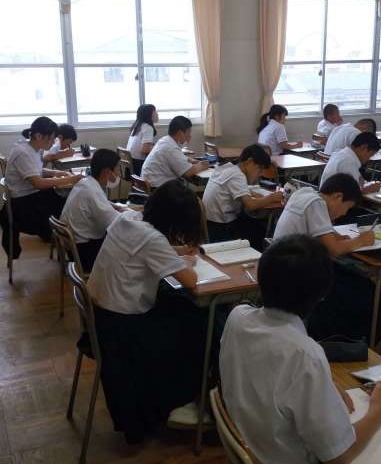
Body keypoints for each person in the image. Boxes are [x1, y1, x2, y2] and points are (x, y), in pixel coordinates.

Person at [220, 235, 381, 464]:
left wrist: (325, 386)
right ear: (322, 295)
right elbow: (338, 456)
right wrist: (377, 410)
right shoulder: (303, 354)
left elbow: (274, 377)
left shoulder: (238, 317)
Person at [86, 180, 210, 443]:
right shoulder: (153, 239)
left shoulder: (129, 219)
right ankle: (183, 399)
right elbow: (190, 280)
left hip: (100, 316)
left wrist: (176, 253)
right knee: (198, 324)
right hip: (123, 330)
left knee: (180, 309)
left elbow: (145, 249)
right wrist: (186, 260)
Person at [273, 175, 381, 343]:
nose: (344, 213)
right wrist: (361, 240)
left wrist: (338, 237)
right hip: (300, 276)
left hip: (287, 268)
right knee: (380, 298)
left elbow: (322, 232)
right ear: (338, 196)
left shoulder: (305, 194)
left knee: (356, 281)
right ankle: (355, 343)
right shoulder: (316, 204)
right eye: (347, 207)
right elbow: (333, 250)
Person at [1, 117, 82, 255]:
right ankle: (70, 247)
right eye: (51, 139)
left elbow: (36, 170)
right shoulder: (23, 152)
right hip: (22, 205)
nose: (53, 143)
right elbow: (38, 183)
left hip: (29, 196)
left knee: (68, 200)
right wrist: (70, 179)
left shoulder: (31, 148)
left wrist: (56, 173)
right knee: (67, 206)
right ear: (39, 136)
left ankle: (67, 244)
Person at [202, 144, 284, 248]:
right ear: (249, 161)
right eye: (260, 168)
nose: (260, 174)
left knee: (252, 223)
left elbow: (229, 187)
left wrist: (248, 191)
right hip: (221, 227)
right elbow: (250, 205)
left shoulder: (227, 167)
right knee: (258, 229)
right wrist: (272, 197)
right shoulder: (238, 175)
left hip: (209, 223)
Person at [60, 149, 125, 272]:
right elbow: (117, 223)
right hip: (84, 253)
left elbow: (99, 205)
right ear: (107, 172)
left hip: (76, 246)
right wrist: (136, 214)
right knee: (129, 246)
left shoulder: (86, 182)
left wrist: (113, 206)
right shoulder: (93, 192)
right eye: (117, 168)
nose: (119, 173)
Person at [141, 115, 209, 188]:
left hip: (151, 184)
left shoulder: (165, 140)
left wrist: (190, 160)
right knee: (189, 193)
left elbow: (177, 157)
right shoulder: (171, 148)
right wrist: (203, 165)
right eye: (189, 131)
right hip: (158, 189)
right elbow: (188, 172)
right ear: (180, 132)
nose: (190, 135)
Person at [127, 104, 158, 175]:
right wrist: (158, 148)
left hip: (131, 164)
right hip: (139, 165)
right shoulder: (148, 127)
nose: (157, 114)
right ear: (149, 115)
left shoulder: (137, 126)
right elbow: (145, 150)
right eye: (155, 112)